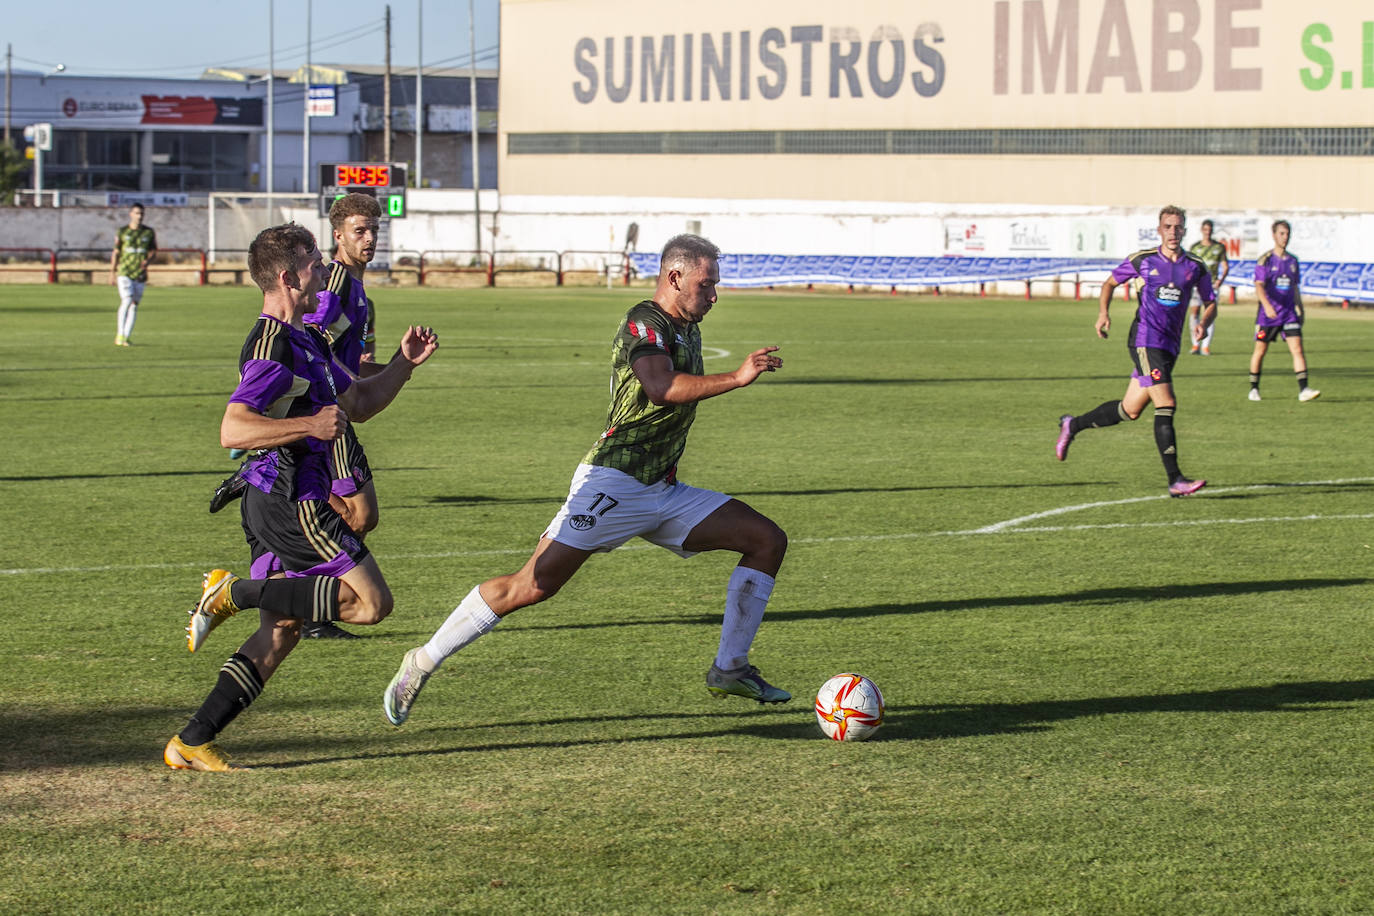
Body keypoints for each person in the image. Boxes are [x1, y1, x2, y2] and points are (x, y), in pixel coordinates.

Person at [382, 233, 790, 727]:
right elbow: (661, 388)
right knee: (531, 585)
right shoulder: (646, 321)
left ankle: (730, 668)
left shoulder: (689, 326)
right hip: (612, 484)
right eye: (707, 286)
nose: (714, 296)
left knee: (766, 540)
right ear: (674, 277)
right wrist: (737, 376)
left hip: (661, 489)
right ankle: (422, 661)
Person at [164, 223, 438, 772]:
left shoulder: (305, 337)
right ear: (290, 277)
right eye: (314, 259)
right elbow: (233, 430)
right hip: (292, 503)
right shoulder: (271, 345)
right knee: (370, 604)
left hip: (275, 500)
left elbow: (357, 401)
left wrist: (405, 365)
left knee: (283, 629)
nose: (323, 267)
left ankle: (190, 741)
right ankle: (236, 592)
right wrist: (310, 424)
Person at [210, 193, 384, 642]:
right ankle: (308, 601)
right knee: (359, 518)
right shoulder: (337, 286)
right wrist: (321, 386)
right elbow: (315, 331)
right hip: (324, 413)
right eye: (360, 230)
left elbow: (354, 368)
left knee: (359, 519)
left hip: (331, 408)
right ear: (339, 233)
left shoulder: (359, 290)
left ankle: (303, 597)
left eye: (374, 229)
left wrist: (400, 366)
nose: (370, 238)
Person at [1055, 205, 1216, 497]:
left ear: (1185, 230)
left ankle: (1072, 425)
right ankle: (1175, 479)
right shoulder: (1143, 260)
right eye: (1167, 227)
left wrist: (1204, 323)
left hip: (1170, 346)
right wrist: (1103, 314)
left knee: (1129, 410)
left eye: (1178, 227)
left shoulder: (1195, 265)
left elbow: (1211, 302)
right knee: (1166, 403)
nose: (1173, 232)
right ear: (1159, 230)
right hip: (1145, 340)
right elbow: (1109, 283)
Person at [1249, 220, 1320, 402]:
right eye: (1281, 233)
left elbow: (1294, 288)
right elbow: (1259, 286)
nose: (1285, 237)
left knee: (1297, 349)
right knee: (1260, 351)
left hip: (1289, 313)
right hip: (1268, 316)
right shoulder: (1265, 260)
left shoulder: (1293, 261)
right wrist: (1266, 305)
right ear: (1274, 235)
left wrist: (1300, 308)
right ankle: (1254, 389)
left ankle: (1304, 389)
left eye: (1287, 233)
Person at [110, 203, 157, 346]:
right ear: (131, 214)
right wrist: (112, 271)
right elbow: (116, 252)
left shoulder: (148, 232)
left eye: (141, 213)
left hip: (140, 273)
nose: (139, 216)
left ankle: (126, 337)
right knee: (127, 300)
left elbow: (154, 252)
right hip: (125, 271)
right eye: (137, 213)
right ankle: (119, 334)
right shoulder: (122, 232)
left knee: (134, 305)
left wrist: (148, 262)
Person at [1187, 219, 1229, 356]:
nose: (1208, 232)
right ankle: (1195, 344)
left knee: (1209, 313)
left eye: (1210, 230)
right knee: (1194, 313)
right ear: (1202, 230)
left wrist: (1220, 281)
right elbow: (1188, 266)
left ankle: (1205, 346)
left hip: (1211, 285)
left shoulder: (1219, 247)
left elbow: (1225, 266)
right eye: (1205, 229)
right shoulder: (1195, 247)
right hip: (1195, 285)